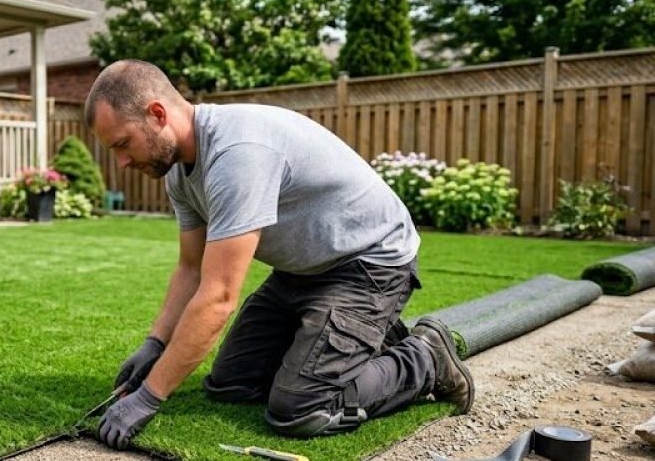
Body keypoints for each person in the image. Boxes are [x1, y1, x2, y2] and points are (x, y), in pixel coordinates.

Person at [85, 60, 474, 450]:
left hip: (368, 265)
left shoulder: (237, 154)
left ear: (157, 114)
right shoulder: (177, 169)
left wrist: (149, 397)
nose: (121, 162)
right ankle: (358, 338)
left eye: (122, 143)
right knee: (231, 385)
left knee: (302, 409)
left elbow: (218, 298)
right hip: (301, 271)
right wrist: (155, 344)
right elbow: (191, 268)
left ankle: (425, 357)